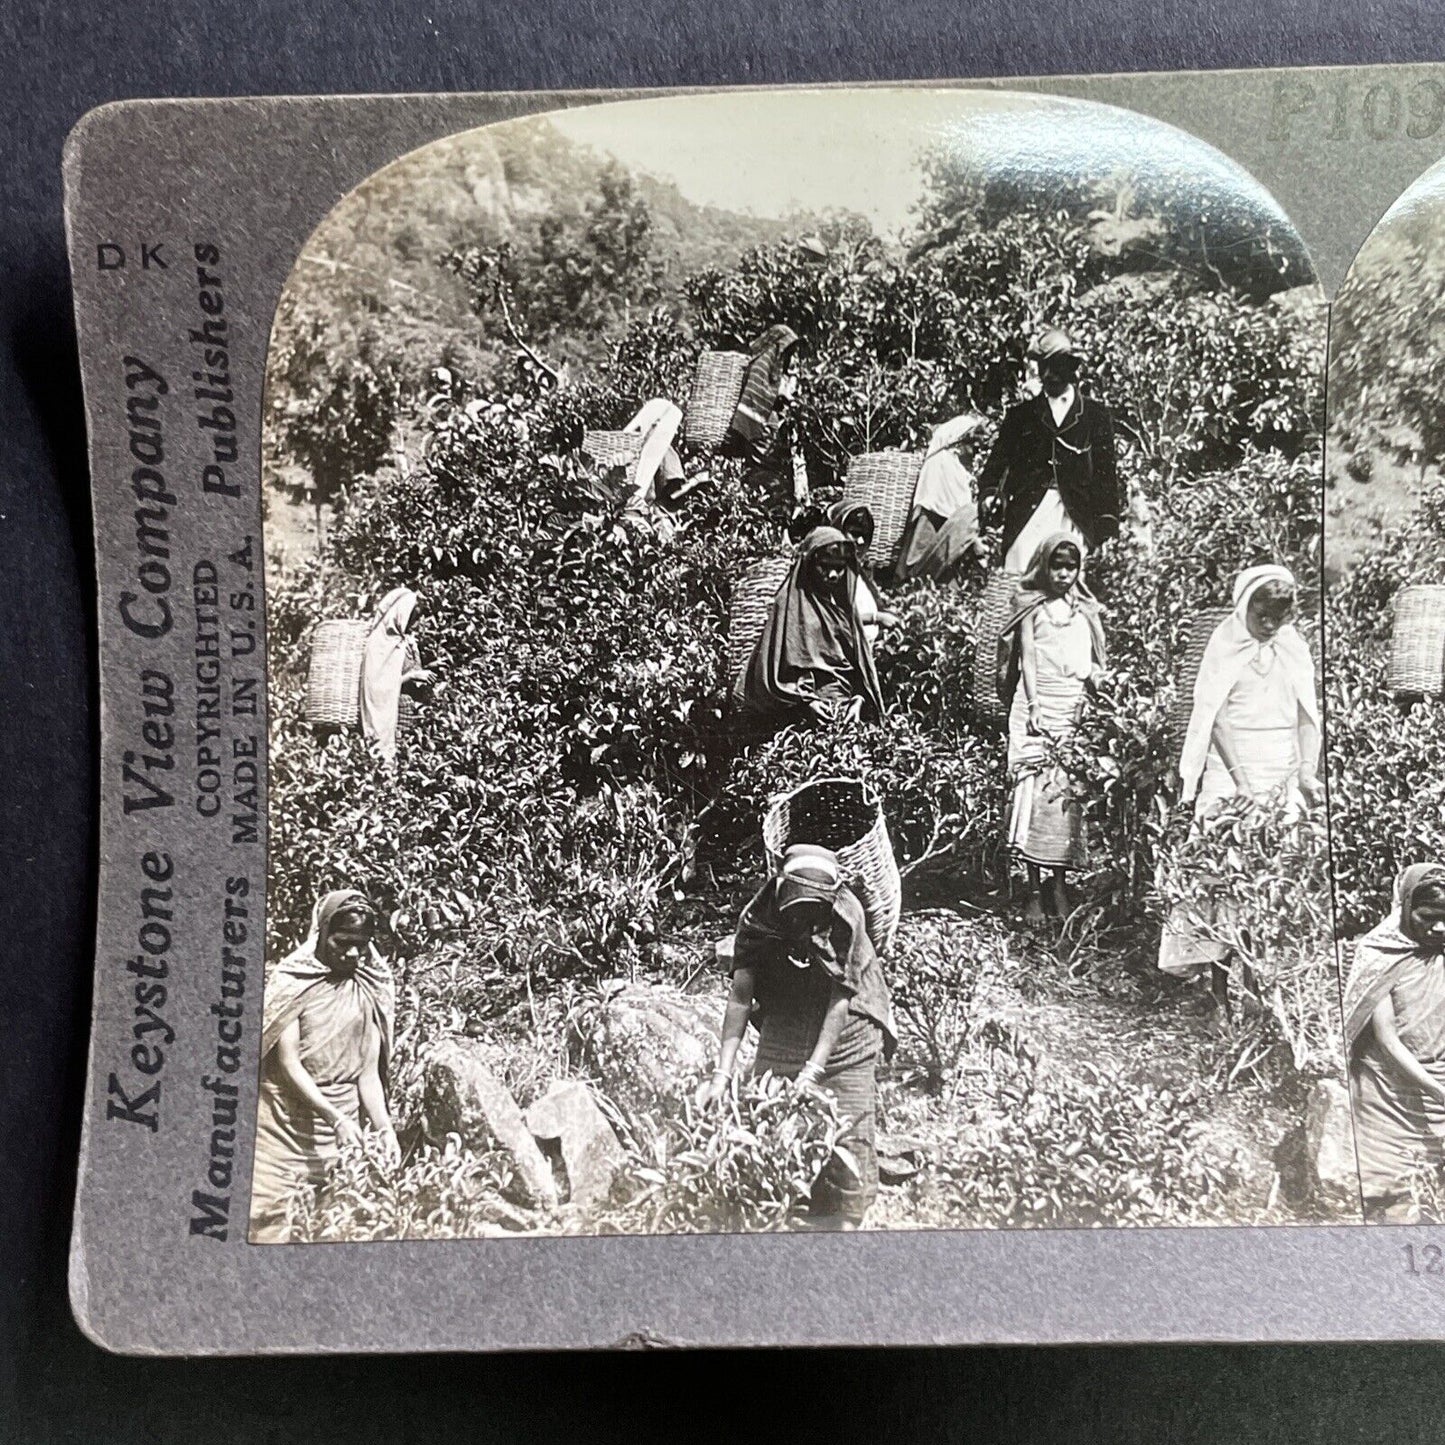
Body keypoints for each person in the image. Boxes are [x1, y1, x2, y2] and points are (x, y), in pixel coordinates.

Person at [699, 844, 897, 1229]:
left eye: (813, 913)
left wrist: (813, 1070)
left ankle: (845, 1217)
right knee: (771, 1116)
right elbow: (740, 999)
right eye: (798, 912)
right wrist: (721, 1076)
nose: (805, 924)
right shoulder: (758, 917)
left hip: (851, 1018)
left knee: (847, 1124)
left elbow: (841, 998)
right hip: (788, 1009)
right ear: (781, 891)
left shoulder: (846, 913)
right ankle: (787, 1210)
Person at [1158, 564, 1324, 1009]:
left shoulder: (1293, 648)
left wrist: (1307, 769)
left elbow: (1308, 716)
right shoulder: (1225, 644)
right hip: (1232, 768)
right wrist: (1241, 783)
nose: (1269, 625)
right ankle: (1218, 990)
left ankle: (1254, 983)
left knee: (1269, 877)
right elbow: (1217, 717)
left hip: (1281, 767)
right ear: (1243, 606)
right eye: (1261, 615)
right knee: (1223, 876)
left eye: (1278, 615)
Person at [250, 890, 398, 1242]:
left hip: (340, 1141)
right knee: (270, 1228)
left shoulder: (367, 988)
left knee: (336, 1229)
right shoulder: (292, 982)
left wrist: (384, 1127)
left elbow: (367, 1075)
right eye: (343, 942)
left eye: (361, 945)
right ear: (321, 933)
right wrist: (335, 1117)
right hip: (281, 1135)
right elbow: (288, 1063)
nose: (352, 953)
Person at [997, 536, 1107, 923]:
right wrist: (1034, 706)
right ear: (1044, 565)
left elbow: (1091, 660)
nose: (1063, 574)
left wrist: (1098, 680)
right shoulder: (1031, 606)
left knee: (1062, 798)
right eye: (1057, 566)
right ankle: (1031, 887)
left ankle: (1058, 883)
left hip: (1071, 710)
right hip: (1035, 709)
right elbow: (1027, 658)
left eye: (1071, 567)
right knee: (1031, 794)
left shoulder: (1084, 609)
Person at [975, 329, 1124, 573]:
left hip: (1074, 516)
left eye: (1056, 367)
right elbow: (996, 464)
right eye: (1043, 367)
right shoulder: (1021, 415)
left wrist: (1106, 528)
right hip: (1028, 513)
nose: (1048, 375)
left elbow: (1105, 475)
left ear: (1071, 367)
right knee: (1019, 577)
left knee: (1067, 581)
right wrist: (990, 493)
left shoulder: (1094, 415)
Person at [1344, 864, 1445, 1222]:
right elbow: (1388, 1040)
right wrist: (1439, 1092)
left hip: (1436, 1082)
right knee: (1394, 1197)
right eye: (1429, 917)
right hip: (1388, 1091)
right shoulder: (1381, 954)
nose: (1440, 927)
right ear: (1404, 908)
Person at [740, 525, 885, 728]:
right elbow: (773, 675)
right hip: (800, 721)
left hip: (845, 715)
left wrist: (858, 701)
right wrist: (807, 702)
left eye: (840, 567)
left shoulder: (842, 610)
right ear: (808, 564)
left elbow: (858, 668)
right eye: (825, 566)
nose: (833, 575)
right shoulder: (790, 605)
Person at [894, 412, 990, 583]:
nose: (976, 453)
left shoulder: (955, 466)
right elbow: (947, 511)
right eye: (974, 447)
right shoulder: (943, 463)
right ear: (959, 442)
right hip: (932, 526)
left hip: (942, 535)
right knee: (919, 571)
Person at [360, 587, 435, 769]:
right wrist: (411, 676)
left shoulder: (404, 641)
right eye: (411, 618)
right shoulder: (378, 644)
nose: (413, 624)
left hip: (408, 715)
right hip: (388, 719)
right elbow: (376, 689)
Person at [826, 501, 900, 647]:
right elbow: (829, 619)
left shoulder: (859, 571)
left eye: (865, 536)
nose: (860, 541)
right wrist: (875, 618)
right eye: (854, 533)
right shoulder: (829, 571)